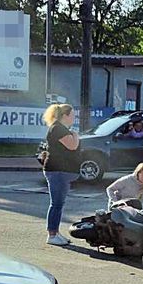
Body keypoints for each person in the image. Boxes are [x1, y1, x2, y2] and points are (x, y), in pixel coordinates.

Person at [40, 104, 80, 246]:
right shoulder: (58, 129)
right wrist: (75, 135)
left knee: (59, 204)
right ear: (65, 116)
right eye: (72, 115)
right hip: (57, 170)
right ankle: (51, 235)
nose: (74, 118)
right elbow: (72, 146)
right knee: (56, 204)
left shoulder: (60, 128)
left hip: (60, 171)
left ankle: (56, 232)